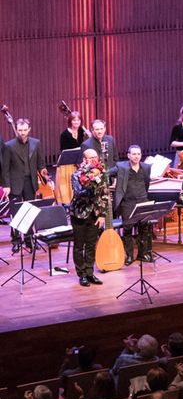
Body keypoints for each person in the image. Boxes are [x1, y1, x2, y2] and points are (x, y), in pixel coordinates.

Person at [3, 117, 48, 250]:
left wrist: (46, 176)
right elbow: (4, 168)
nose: (22, 133)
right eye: (19, 130)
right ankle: (16, 241)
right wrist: (6, 185)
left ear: (29, 129)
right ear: (16, 130)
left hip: (30, 182)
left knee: (29, 211)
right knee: (15, 212)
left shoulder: (36, 143)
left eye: (24, 130)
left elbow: (41, 163)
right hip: (14, 183)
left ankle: (29, 240)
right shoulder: (9, 146)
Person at [69, 148, 107, 287]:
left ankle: (90, 273)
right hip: (79, 214)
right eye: (90, 158)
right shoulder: (76, 175)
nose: (93, 160)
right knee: (79, 246)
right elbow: (80, 193)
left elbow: (105, 195)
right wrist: (92, 180)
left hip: (95, 214)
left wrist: (103, 214)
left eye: (95, 157)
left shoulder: (101, 173)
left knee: (91, 245)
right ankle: (82, 275)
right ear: (84, 160)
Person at [113, 145, 152, 265]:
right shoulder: (121, 167)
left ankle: (142, 254)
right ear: (128, 155)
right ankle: (129, 256)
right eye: (134, 154)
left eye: (138, 154)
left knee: (144, 228)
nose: (136, 156)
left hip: (142, 200)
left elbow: (146, 183)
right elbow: (106, 174)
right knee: (128, 229)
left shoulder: (146, 167)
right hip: (128, 203)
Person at [56, 108, 88, 204]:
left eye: (78, 120)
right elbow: (63, 150)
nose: (76, 122)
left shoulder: (83, 132)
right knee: (67, 185)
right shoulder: (64, 134)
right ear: (70, 121)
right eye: (74, 120)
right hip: (67, 163)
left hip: (80, 162)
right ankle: (67, 204)